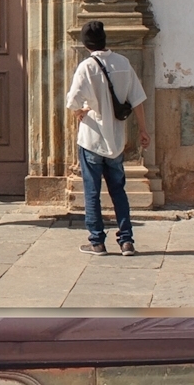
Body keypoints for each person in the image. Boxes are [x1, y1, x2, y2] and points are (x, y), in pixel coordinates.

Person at [65, 20, 150, 256]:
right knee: (118, 190)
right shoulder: (123, 63)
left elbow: (72, 101)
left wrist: (82, 110)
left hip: (91, 137)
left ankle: (97, 242)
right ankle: (126, 241)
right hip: (116, 139)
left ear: (86, 43)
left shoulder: (86, 67)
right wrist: (143, 130)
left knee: (92, 191)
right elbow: (138, 99)